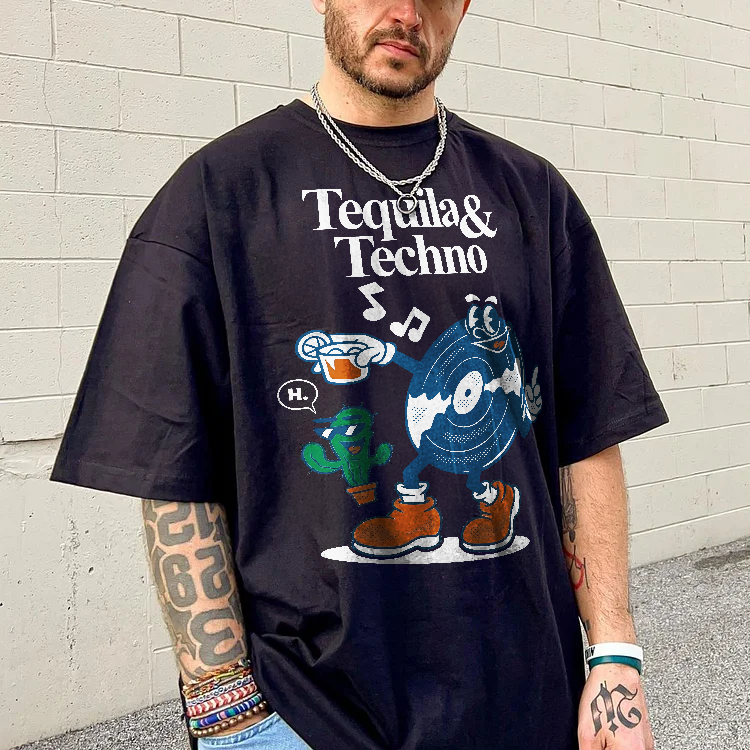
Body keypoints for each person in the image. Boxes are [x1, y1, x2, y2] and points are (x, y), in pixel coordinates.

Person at [49, 0, 667, 748]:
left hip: (530, 701)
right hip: (312, 715)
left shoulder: (530, 194)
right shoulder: (219, 193)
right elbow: (174, 468)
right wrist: (228, 714)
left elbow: (589, 431)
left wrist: (615, 653)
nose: (405, 13)